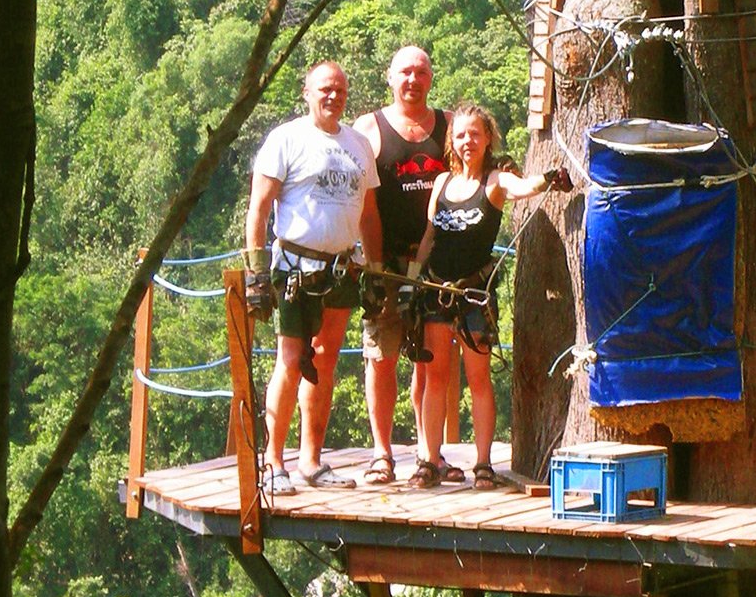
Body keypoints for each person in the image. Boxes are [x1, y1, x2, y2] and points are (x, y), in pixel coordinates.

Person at [405, 102, 570, 489]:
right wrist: (411, 284)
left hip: (474, 295)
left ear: (487, 138)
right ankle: (429, 460)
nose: (467, 141)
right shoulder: (443, 184)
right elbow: (430, 236)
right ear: (451, 141)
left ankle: (483, 464)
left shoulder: (495, 181)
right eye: (460, 135)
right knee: (434, 378)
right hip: (435, 292)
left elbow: (524, 187)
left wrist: (548, 178)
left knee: (478, 378)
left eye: (475, 134)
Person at [244, 61, 381, 493]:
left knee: (323, 362)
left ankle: (312, 461)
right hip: (295, 270)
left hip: (341, 267)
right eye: (325, 89)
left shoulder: (358, 144)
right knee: (290, 362)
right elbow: (259, 207)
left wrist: (376, 272)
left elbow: (370, 214)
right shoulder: (286, 139)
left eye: (340, 89)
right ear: (306, 92)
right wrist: (256, 271)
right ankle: (273, 462)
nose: (333, 96)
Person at [352, 45, 448, 485]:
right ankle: (382, 453)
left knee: (433, 360)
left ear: (431, 78)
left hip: (437, 262)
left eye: (420, 72)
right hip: (386, 263)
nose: (413, 80)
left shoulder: (448, 127)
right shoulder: (368, 128)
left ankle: (431, 453)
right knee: (382, 357)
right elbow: (361, 203)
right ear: (389, 78)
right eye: (405, 73)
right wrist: (371, 265)